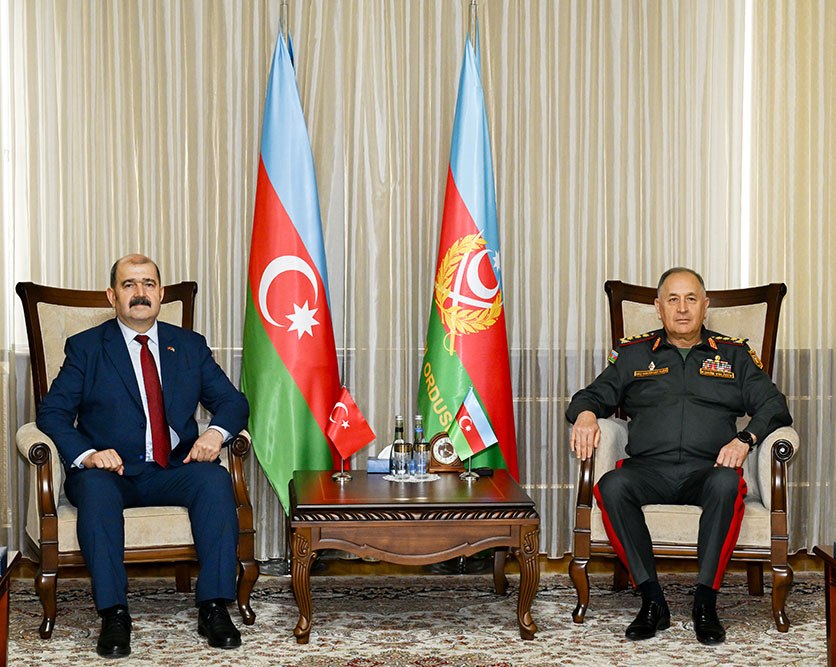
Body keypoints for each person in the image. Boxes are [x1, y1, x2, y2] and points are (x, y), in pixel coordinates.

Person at [37, 254, 249, 658]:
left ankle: (214, 606)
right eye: (129, 284)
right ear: (112, 296)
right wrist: (88, 454)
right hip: (109, 473)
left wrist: (215, 434)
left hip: (173, 468)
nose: (140, 293)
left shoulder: (188, 345)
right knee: (96, 491)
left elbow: (232, 402)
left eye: (148, 284)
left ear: (161, 293)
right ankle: (114, 613)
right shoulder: (87, 347)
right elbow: (53, 413)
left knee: (215, 480)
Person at [566, 267, 792, 645]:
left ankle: (705, 602)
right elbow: (589, 396)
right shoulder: (634, 353)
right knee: (611, 485)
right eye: (673, 299)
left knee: (726, 483)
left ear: (705, 306)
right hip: (649, 470)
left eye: (691, 299)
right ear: (659, 308)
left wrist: (745, 439)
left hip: (708, 470)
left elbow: (775, 405)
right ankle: (652, 600)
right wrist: (587, 415)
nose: (682, 309)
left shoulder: (734, 355)